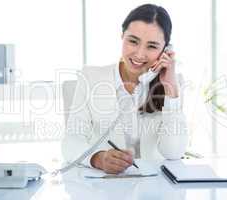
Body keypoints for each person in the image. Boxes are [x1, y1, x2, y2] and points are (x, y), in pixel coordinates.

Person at [62, 4, 188, 174]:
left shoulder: (173, 83)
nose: (139, 54)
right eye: (133, 41)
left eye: (152, 46)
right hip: (104, 186)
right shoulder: (91, 77)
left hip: (155, 187)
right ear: (122, 36)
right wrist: (98, 158)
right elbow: (71, 140)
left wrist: (170, 88)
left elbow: (173, 153)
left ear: (166, 50)